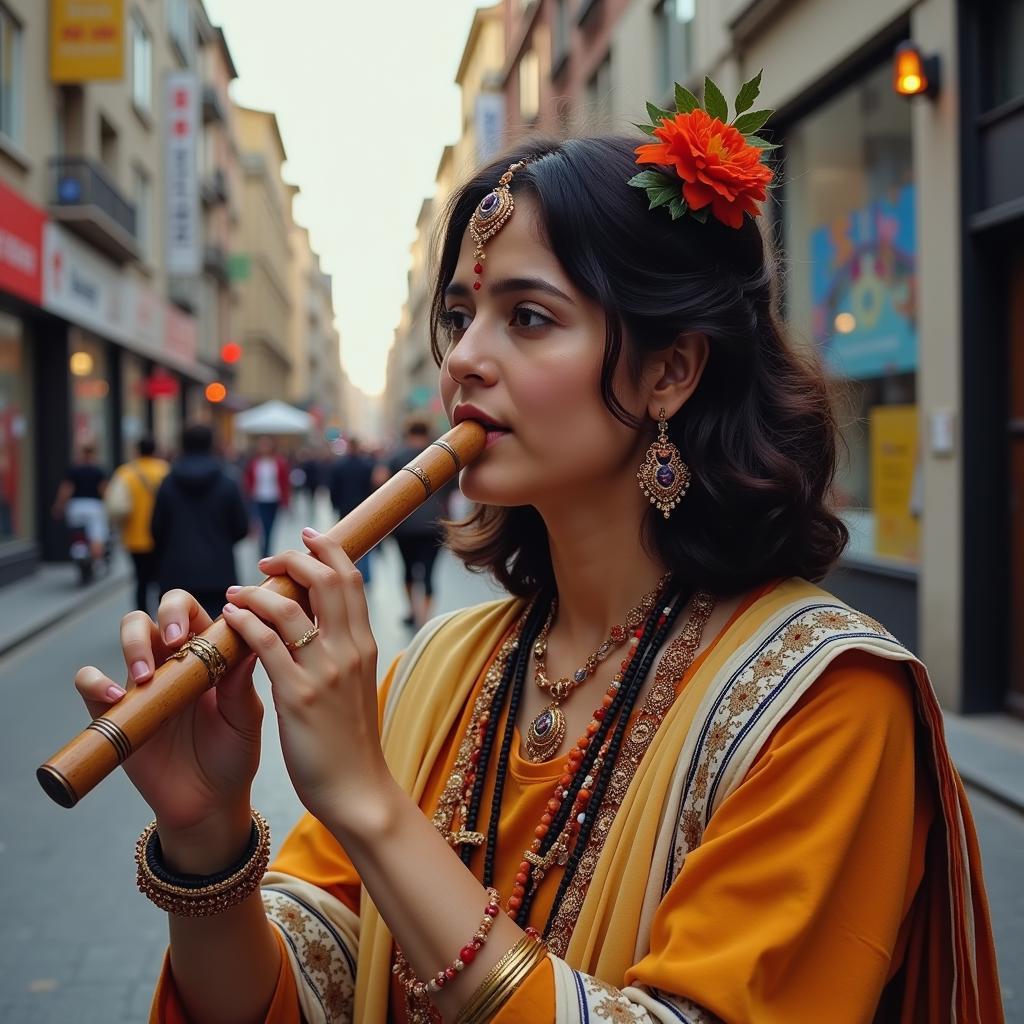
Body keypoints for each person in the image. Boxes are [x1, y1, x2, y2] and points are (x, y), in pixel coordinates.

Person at [73, 76, 1003, 1024]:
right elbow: (304, 991)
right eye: (459, 317)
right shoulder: (440, 667)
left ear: (670, 370)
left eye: (528, 317)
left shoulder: (828, 702)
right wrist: (207, 838)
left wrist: (365, 797)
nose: (464, 360)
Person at [150, 423, 249, 621]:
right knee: (218, 642)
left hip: (176, 574)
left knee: (178, 640)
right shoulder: (227, 482)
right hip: (219, 573)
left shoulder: (168, 483)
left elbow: (156, 529)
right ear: (212, 445)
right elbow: (241, 527)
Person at [386, 418, 452, 627]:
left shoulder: (397, 457)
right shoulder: (441, 456)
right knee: (430, 574)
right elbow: (452, 489)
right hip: (435, 524)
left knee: (407, 570)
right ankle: (426, 619)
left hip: (405, 525)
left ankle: (412, 611)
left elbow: (384, 487)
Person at [107, 438, 169, 615]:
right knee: (162, 582)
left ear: (137, 451)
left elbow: (115, 506)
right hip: (161, 538)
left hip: (135, 538)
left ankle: (142, 619)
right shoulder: (164, 470)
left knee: (141, 581)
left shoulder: (126, 473)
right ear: (155, 450)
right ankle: (164, 620)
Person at [327, 436, 377, 583]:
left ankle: (348, 572)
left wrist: (334, 504)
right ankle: (365, 576)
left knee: (346, 542)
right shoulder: (367, 465)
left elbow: (333, 488)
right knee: (366, 542)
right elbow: (372, 489)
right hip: (364, 509)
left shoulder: (339, 465)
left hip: (345, 509)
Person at [52, 441, 109, 566]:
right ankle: (97, 562)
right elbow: (104, 491)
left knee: (77, 534)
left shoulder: (74, 470)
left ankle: (80, 552)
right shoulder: (98, 470)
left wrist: (59, 506)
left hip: (76, 506)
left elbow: (66, 490)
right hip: (94, 506)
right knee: (96, 537)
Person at [244, 436, 290, 559]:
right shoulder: (255, 462)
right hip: (258, 498)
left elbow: (285, 482)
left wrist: (286, 501)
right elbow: (248, 480)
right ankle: (263, 548)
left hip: (274, 499)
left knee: (270, 527)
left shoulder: (279, 462)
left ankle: (267, 549)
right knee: (260, 526)